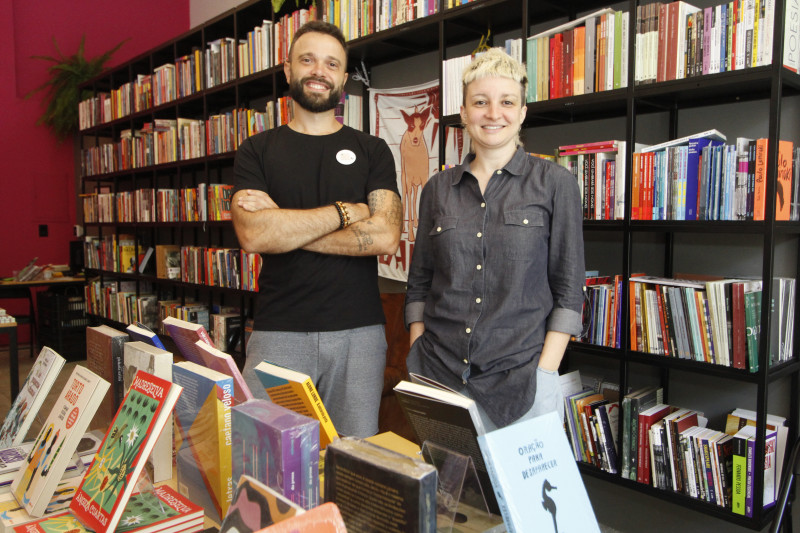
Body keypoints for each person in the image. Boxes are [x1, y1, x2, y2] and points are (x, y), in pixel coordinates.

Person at [232, 20, 402, 437]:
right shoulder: (256, 149)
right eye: (307, 59)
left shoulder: (373, 150)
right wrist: (348, 212)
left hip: (359, 336)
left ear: (343, 78)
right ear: (287, 69)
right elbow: (254, 236)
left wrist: (286, 226)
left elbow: (385, 236)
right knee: (265, 462)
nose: (318, 71)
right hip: (278, 333)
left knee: (355, 464)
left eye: (331, 63)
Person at [404, 48, 585, 431]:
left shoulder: (555, 184)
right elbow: (420, 281)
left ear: (521, 112)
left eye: (506, 102)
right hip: (440, 376)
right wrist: (417, 348)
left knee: (517, 493)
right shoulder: (438, 189)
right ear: (465, 113)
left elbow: (569, 290)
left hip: (522, 385)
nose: (493, 113)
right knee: (449, 490)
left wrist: (544, 373)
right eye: (480, 102)